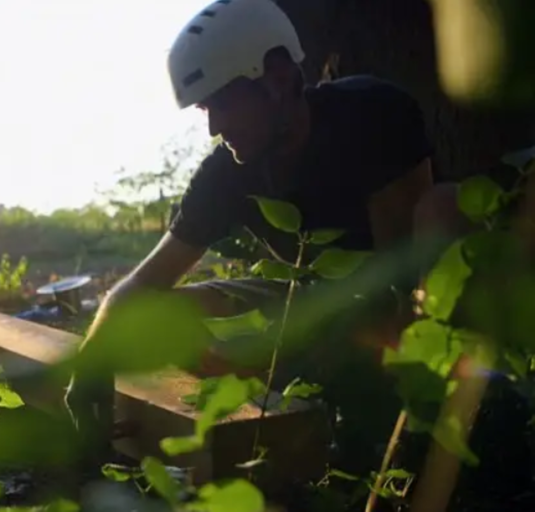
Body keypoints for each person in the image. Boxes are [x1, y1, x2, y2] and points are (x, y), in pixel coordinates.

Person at [65, 0, 465, 472]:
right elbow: (142, 285)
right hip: (311, 301)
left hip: (404, 302)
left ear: (276, 78)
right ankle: (283, 408)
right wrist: (90, 365)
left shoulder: (370, 115)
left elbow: (397, 283)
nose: (215, 127)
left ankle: (432, 413)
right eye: (204, 109)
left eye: (223, 103)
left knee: (443, 207)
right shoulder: (225, 173)